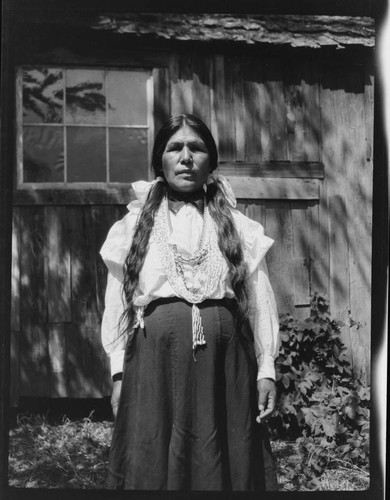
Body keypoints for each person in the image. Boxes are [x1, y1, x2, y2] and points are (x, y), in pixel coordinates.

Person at [100, 114, 280, 491]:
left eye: (196, 148)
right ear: (159, 162)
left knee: (222, 452)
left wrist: (266, 367)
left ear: (211, 162)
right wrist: (118, 372)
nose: (186, 157)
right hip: (154, 363)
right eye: (174, 148)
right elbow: (117, 302)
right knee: (153, 453)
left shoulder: (238, 226)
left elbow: (261, 300)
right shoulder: (134, 227)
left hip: (224, 365)